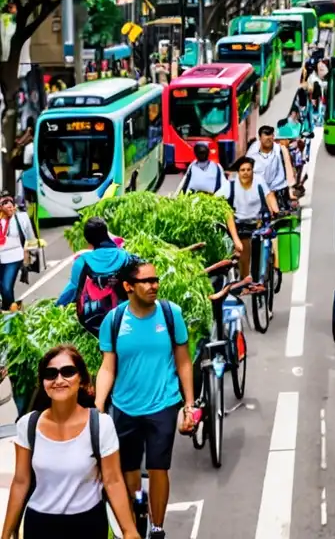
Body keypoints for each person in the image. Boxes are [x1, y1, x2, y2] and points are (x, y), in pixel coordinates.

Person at [94, 258, 195, 539]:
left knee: (158, 465)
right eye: (146, 281)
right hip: (124, 407)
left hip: (163, 403)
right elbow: (107, 367)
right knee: (129, 469)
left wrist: (189, 403)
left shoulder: (170, 314)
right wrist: (99, 405)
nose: (154, 286)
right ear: (128, 286)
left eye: (155, 280)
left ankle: (158, 527)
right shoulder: (113, 322)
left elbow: (184, 362)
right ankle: (138, 506)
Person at [2, 345, 140, 539]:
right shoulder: (28, 425)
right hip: (39, 525)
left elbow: (113, 481)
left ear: (81, 380)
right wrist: (7, 532)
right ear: (43, 382)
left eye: (67, 372)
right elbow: (21, 481)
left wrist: (129, 530)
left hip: (87, 524)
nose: (59, 380)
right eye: (51, 374)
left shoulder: (100, 425)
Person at [224, 156, 279, 283]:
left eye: (249, 170)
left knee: (271, 239)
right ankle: (244, 278)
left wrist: (275, 209)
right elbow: (216, 202)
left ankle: (273, 269)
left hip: (257, 225)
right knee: (243, 253)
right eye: (242, 170)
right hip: (239, 226)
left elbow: (269, 195)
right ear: (238, 172)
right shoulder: (230, 185)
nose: (246, 173)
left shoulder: (259, 181)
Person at [56, 217, 131, 307]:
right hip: (125, 309)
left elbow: (72, 289)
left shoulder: (82, 260)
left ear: (88, 241)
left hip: (95, 315)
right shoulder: (126, 256)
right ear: (106, 233)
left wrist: (57, 305)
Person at [0, 191, 34, 312]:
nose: (9, 205)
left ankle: (13, 312)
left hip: (14, 257)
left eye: (10, 202)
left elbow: (30, 238)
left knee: (6, 287)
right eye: (4, 203)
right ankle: (9, 311)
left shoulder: (21, 217)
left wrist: (29, 255)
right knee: (3, 289)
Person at [247, 125, 295, 211]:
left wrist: (272, 190)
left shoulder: (279, 151)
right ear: (260, 138)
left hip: (275, 190)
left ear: (273, 137)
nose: (269, 139)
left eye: (271, 136)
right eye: (266, 136)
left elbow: (282, 174)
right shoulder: (252, 152)